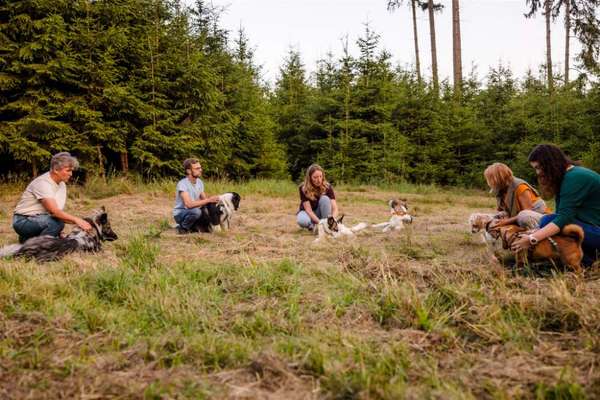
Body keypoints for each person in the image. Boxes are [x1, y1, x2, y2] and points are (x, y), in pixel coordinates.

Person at [511, 144, 600, 266]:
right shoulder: (569, 176)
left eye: (538, 167)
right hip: (593, 229)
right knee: (547, 223)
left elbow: (562, 218)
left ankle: (587, 260)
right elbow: (562, 215)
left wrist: (532, 238)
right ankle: (587, 260)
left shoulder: (575, 178)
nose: (538, 172)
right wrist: (535, 232)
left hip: (596, 231)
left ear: (550, 163)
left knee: (547, 220)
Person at [13, 152, 92, 243]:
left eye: (72, 170)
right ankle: (39, 248)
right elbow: (54, 212)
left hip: (39, 218)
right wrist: (77, 220)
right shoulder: (43, 183)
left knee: (57, 224)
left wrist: (58, 232)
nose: (71, 174)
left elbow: (56, 213)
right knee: (57, 223)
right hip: (23, 221)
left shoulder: (62, 184)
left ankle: (28, 239)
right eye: (68, 170)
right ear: (56, 169)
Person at [484, 162, 551, 230]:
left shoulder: (520, 187)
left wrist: (506, 222)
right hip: (519, 218)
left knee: (524, 216)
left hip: (540, 218)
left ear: (498, 178)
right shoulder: (500, 190)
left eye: (490, 178)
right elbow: (500, 211)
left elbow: (527, 213)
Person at [173, 158, 220, 234]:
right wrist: (208, 200)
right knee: (196, 212)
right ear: (188, 171)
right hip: (181, 213)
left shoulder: (199, 182)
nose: (200, 170)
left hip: (193, 210)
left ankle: (195, 227)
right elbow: (188, 204)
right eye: (197, 168)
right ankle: (183, 228)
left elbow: (204, 199)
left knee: (208, 212)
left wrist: (214, 201)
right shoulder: (182, 184)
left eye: (200, 168)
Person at [296, 164, 338, 231]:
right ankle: (314, 226)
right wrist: (320, 223)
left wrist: (332, 220)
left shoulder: (328, 187)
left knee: (325, 199)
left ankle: (326, 224)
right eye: (315, 177)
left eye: (320, 176)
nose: (319, 180)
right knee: (302, 221)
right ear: (309, 178)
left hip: (321, 213)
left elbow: (335, 209)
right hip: (307, 212)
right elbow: (308, 210)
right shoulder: (303, 188)